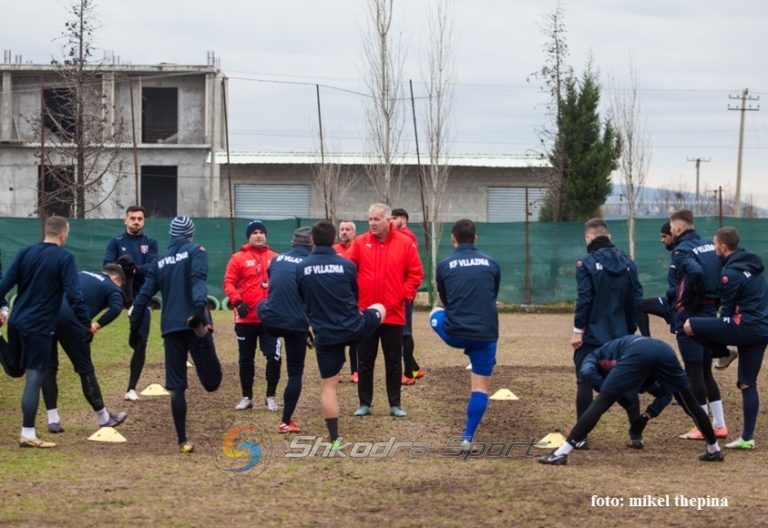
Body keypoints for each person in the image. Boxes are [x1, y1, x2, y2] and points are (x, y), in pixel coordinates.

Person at [539, 335, 725, 465]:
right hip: (664, 349)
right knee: (690, 404)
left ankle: (561, 453)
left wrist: (611, 392)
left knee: (601, 403)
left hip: (639, 351)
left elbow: (587, 372)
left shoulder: (596, 357)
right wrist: (645, 413)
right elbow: (665, 393)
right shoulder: (615, 354)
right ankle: (714, 449)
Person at [129, 216, 222, 453]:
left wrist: (134, 322)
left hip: (170, 327)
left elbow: (144, 295)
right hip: (194, 324)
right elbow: (198, 280)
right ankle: (182, 439)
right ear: (190, 234)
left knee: (176, 386)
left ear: (171, 235)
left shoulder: (160, 260)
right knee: (212, 382)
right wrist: (199, 310)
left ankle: (182, 440)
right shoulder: (196, 250)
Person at [0, 216, 92, 448]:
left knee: (16, 369)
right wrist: (85, 322)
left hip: (17, 322)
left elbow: (3, 286)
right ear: (63, 234)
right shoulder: (65, 257)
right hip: (39, 327)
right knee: (34, 377)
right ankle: (28, 433)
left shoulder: (24, 252)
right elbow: (74, 294)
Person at [296, 220, 385, 444]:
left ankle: (335, 438)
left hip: (324, 334)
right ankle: (372, 353)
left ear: (312, 241)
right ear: (334, 239)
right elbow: (355, 297)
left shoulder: (301, 268)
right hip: (353, 328)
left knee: (329, 386)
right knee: (379, 308)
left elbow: (302, 300)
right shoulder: (347, 266)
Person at [684, 226, 768, 450]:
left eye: (714, 245)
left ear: (722, 246)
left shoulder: (729, 274)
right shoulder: (753, 265)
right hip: (762, 330)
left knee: (689, 326)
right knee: (747, 383)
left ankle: (723, 352)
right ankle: (747, 438)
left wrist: (720, 335)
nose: (713, 249)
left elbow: (727, 313)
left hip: (745, 327)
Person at [570, 218, 643, 449]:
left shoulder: (586, 263)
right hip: (621, 335)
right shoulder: (629, 263)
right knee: (625, 382)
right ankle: (636, 434)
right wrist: (630, 330)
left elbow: (585, 299)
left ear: (589, 238)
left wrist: (577, 330)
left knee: (584, 379)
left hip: (592, 335)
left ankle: (580, 437)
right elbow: (636, 299)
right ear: (609, 237)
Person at [346, 203, 424, 418]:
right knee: (364, 361)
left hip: (394, 314)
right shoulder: (360, 243)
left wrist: (404, 297)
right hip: (366, 315)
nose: (372, 223)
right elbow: (347, 272)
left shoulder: (405, 243)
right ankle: (364, 403)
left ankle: (395, 404)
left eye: (376, 219)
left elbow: (415, 274)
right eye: (370, 219)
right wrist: (353, 300)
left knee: (393, 362)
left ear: (388, 220)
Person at [429, 219, 500, 448]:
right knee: (479, 388)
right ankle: (467, 437)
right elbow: (492, 293)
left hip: (454, 332)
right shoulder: (492, 263)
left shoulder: (444, 265)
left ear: (453, 238)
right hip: (486, 334)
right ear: (475, 238)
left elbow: (446, 300)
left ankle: (467, 346)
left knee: (435, 313)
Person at [41, 264, 129, 432]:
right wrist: (95, 325)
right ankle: (104, 418)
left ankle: (53, 420)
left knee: (49, 368)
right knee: (85, 369)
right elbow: (117, 308)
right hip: (72, 320)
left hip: (47, 313)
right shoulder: (111, 286)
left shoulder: (81, 272)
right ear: (116, 278)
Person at [668, 209, 728, 440]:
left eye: (672, 227)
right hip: (711, 314)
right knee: (705, 371)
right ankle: (719, 424)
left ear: (679, 228)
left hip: (692, 316)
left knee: (693, 373)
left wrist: (693, 302)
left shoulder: (682, 251)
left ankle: (702, 427)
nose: (671, 231)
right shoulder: (708, 246)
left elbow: (694, 275)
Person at [258, 226, 313, 434]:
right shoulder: (309, 264)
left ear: (292, 243)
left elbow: (279, 287)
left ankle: (267, 343)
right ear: (311, 245)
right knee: (295, 373)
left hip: (270, 321)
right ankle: (285, 421)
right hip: (295, 325)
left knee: (261, 305)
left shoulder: (277, 260)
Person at [224, 219, 282, 412]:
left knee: (274, 357)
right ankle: (247, 396)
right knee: (245, 359)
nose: (259, 235)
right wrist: (237, 301)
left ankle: (271, 396)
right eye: (254, 232)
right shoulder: (238, 258)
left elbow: (283, 284)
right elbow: (229, 283)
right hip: (246, 319)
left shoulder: (276, 258)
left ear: (266, 235)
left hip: (270, 319)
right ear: (248, 236)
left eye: (261, 232)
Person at [103, 205, 158, 402]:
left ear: (144, 221)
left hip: (143, 296)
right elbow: (107, 267)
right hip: (120, 293)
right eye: (132, 218)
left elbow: (152, 268)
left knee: (140, 343)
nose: (136, 221)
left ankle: (131, 388)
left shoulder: (150, 243)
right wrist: (125, 269)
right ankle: (128, 305)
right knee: (123, 262)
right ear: (125, 220)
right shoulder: (115, 242)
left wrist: (134, 269)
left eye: (140, 218)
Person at [580, 340, 673, 449]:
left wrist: (647, 415)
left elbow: (666, 395)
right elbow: (587, 371)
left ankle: (636, 435)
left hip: (633, 363)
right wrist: (606, 389)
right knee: (601, 405)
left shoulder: (651, 369)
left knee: (630, 399)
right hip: (609, 367)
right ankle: (578, 437)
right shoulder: (603, 361)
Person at [392, 208, 423, 385]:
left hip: (403, 291)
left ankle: (408, 373)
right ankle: (415, 368)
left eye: (394, 218)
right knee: (400, 333)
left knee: (405, 332)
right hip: (397, 289)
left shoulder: (406, 236)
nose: (391, 221)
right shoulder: (400, 235)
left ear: (403, 220)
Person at [637, 222, 676, 337]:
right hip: (671, 301)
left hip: (680, 305)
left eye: (664, 236)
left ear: (673, 235)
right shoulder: (676, 252)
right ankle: (647, 341)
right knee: (639, 305)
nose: (661, 240)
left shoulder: (682, 252)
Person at [333, 219, 359, 383]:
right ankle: (336, 372)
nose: (344, 232)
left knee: (355, 336)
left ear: (354, 232)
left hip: (355, 298)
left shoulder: (360, 248)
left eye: (347, 229)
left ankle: (355, 371)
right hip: (336, 299)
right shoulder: (333, 250)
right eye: (342, 229)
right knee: (337, 337)